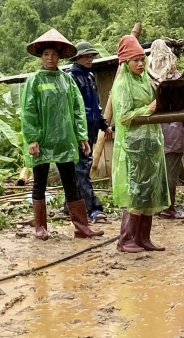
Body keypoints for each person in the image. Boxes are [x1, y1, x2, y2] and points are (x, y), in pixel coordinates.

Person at [19, 29, 102, 240]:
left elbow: (77, 109)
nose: (50, 58)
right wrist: (33, 138)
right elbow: (29, 111)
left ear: (59, 57)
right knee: (40, 182)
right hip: (43, 141)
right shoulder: (34, 81)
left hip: (65, 140)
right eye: (46, 54)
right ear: (41, 56)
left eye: (54, 55)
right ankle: (41, 227)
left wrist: (82, 136)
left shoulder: (67, 80)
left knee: (71, 183)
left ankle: (81, 226)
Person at [109, 35, 168, 252]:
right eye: (135, 60)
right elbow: (123, 116)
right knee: (136, 191)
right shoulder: (122, 84)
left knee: (150, 191)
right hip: (133, 146)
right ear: (126, 63)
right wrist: (149, 109)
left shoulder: (145, 80)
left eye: (142, 59)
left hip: (151, 144)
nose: (141, 64)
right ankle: (126, 239)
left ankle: (144, 238)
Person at [67, 42, 110, 223]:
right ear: (77, 57)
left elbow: (96, 105)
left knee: (79, 169)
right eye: (86, 56)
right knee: (82, 169)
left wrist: (104, 125)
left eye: (91, 56)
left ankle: (69, 206)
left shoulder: (90, 76)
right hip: (78, 132)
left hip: (91, 129)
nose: (90, 59)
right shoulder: (71, 78)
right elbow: (72, 109)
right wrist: (78, 133)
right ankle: (93, 209)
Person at [159, 117, 184, 219]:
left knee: (161, 175)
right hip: (173, 139)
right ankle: (168, 209)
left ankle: (160, 207)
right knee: (170, 176)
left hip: (158, 138)